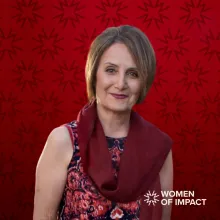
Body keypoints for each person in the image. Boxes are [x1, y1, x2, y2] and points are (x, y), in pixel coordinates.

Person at [33, 25, 173, 220]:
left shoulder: (159, 147)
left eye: (133, 73)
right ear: (93, 74)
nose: (121, 83)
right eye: (111, 70)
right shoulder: (63, 141)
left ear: (144, 82)